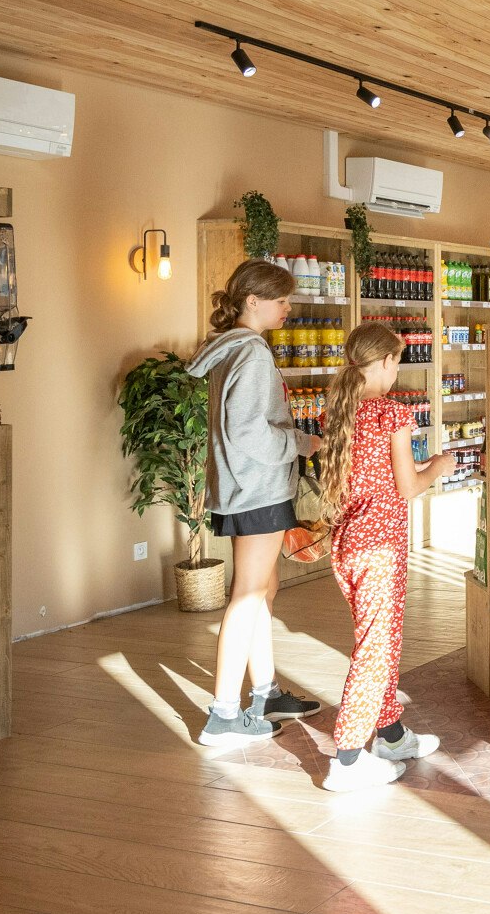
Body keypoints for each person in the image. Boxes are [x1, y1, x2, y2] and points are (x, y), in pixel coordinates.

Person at [186, 259, 324, 746]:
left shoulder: (232, 348)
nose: (288, 308)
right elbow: (246, 430)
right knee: (247, 595)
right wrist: (300, 444)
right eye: (281, 300)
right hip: (256, 489)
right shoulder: (251, 353)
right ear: (252, 301)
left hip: (244, 486)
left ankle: (265, 694)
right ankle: (224, 714)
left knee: (263, 590)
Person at [315, 323, 455, 791]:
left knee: (383, 639)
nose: (398, 369)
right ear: (385, 362)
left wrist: (420, 468)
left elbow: (378, 474)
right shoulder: (391, 413)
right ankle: (348, 759)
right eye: (398, 360)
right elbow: (408, 486)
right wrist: (440, 466)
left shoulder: (343, 410)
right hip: (380, 549)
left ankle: (391, 735)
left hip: (350, 545)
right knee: (374, 650)